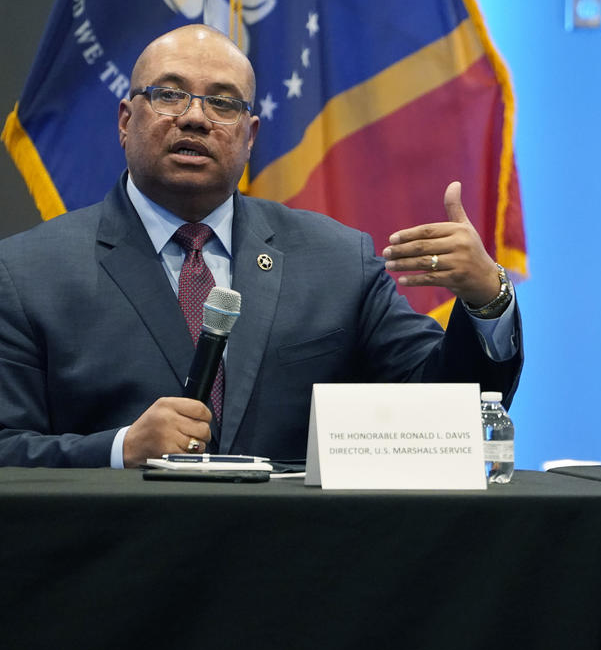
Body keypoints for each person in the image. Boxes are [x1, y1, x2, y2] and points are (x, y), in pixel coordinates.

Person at [0, 24, 522, 468]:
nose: (195, 117)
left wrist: (486, 300)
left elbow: (446, 414)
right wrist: (118, 449)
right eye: (168, 94)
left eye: (222, 103)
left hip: (289, 572)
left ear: (249, 136)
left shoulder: (337, 262)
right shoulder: (29, 273)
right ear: (125, 121)